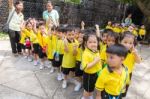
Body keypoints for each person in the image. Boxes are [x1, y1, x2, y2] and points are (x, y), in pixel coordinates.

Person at [120, 31, 142, 96]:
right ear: (120, 41)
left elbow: (138, 61)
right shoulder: (117, 51)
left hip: (127, 74)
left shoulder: (133, 53)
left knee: (123, 92)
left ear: (133, 44)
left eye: (130, 43)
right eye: (125, 42)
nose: (127, 45)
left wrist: (135, 53)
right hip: (117, 74)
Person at [81, 32, 102, 99]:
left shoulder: (96, 51)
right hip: (89, 75)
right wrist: (95, 61)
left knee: (92, 88)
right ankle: (85, 97)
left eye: (94, 42)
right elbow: (86, 66)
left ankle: (90, 95)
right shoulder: (85, 53)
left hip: (96, 73)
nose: (93, 44)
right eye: (90, 42)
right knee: (87, 89)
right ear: (85, 43)